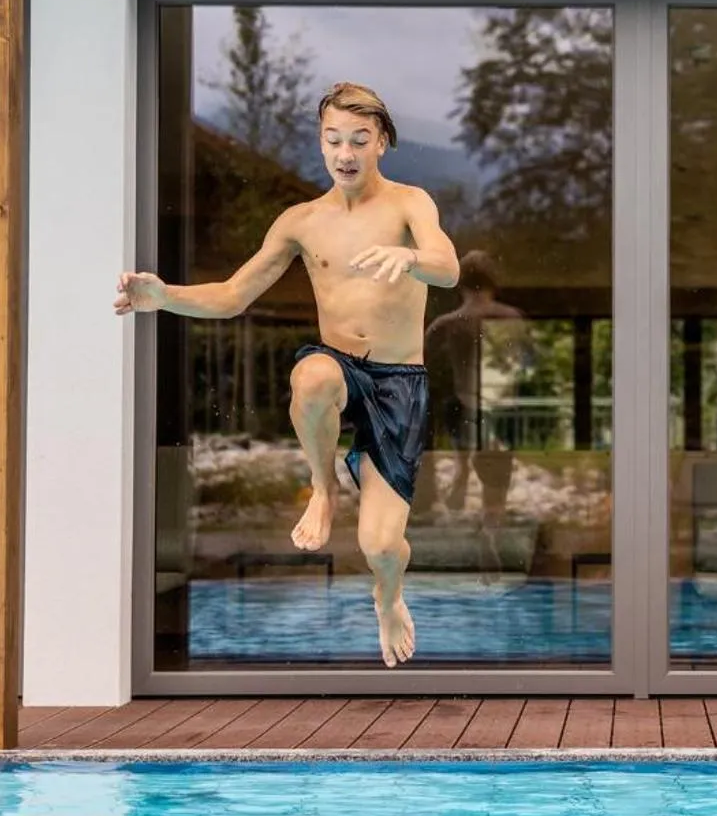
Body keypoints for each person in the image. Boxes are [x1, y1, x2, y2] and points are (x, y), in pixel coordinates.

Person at [114, 82, 460, 667]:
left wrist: (411, 258)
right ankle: (323, 488)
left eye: (359, 140)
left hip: (399, 380)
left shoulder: (410, 204)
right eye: (334, 140)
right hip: (339, 364)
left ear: (382, 143)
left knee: (380, 546)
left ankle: (388, 595)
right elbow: (233, 295)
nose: (345, 153)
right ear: (321, 143)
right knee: (314, 378)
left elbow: (447, 269)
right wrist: (163, 297)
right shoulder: (301, 222)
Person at [419, 251, 526, 548]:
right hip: (498, 408)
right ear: (493, 281)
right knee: (495, 486)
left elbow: (419, 370)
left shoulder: (445, 324)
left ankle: (462, 471)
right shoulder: (512, 319)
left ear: (460, 283)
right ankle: (491, 531)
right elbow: (522, 366)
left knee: (464, 457)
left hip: (463, 407)